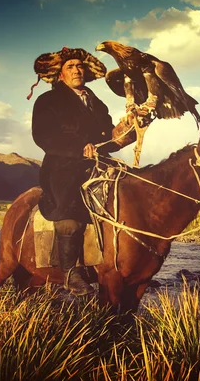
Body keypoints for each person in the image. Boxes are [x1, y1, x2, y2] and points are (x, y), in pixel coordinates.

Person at [30, 47, 136, 295]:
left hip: (99, 163)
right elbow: (43, 136)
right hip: (63, 167)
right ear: (60, 74)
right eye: (70, 67)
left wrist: (125, 130)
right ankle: (69, 272)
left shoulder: (96, 102)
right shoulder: (47, 101)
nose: (77, 70)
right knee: (69, 212)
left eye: (80, 66)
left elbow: (108, 137)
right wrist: (79, 148)